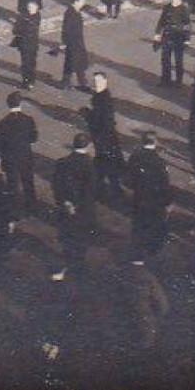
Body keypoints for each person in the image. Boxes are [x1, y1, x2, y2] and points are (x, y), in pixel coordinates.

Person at [51, 133, 98, 279]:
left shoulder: (62, 162)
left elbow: (57, 185)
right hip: (84, 209)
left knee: (67, 236)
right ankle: (78, 266)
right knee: (82, 238)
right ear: (89, 146)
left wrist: (65, 202)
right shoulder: (90, 165)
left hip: (66, 208)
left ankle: (67, 262)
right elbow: (91, 190)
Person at [127, 132, 172, 256]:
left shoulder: (134, 158)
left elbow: (129, 180)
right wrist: (168, 202)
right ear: (156, 142)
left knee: (139, 222)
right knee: (155, 224)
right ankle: (153, 249)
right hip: (155, 199)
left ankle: (139, 247)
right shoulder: (160, 162)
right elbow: (165, 185)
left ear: (142, 142)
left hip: (140, 197)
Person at [0, 92, 39, 214]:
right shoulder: (29, 120)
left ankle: (16, 209)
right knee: (28, 182)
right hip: (25, 156)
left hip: (10, 158)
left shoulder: (3, 122)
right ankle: (32, 207)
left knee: (12, 184)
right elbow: (34, 138)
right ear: (20, 103)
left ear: (8, 104)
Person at [85, 71, 126, 197]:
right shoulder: (100, 96)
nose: (95, 84)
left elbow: (102, 118)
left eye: (98, 81)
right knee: (106, 162)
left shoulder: (103, 98)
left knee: (105, 162)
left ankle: (108, 189)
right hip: (104, 135)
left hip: (104, 136)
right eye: (94, 81)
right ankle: (110, 187)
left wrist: (88, 115)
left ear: (105, 81)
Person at [154, 0, 192, 86]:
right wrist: (157, 33)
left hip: (178, 37)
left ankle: (179, 81)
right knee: (165, 59)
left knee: (178, 60)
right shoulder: (167, 7)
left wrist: (187, 39)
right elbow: (161, 21)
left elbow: (187, 25)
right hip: (167, 36)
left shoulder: (184, 9)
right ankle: (165, 79)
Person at [61, 0, 91, 90]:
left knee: (75, 61)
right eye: (82, 1)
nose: (84, 3)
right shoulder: (70, 13)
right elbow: (66, 29)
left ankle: (76, 81)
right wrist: (65, 42)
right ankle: (77, 82)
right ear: (76, 2)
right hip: (73, 42)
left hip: (77, 41)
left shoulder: (75, 12)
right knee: (74, 62)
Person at [12, 0, 41, 90]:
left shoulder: (37, 16)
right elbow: (15, 30)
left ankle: (31, 80)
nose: (31, 10)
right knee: (26, 63)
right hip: (25, 43)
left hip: (33, 43)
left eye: (33, 8)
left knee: (32, 62)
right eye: (30, 8)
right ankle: (26, 81)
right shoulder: (22, 17)